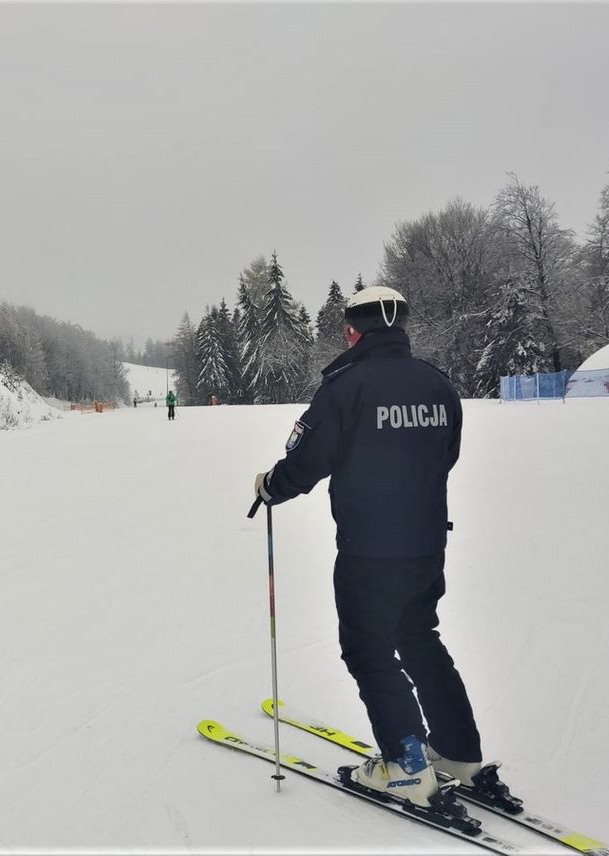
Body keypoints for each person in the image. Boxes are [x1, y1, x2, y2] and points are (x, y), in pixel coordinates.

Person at [252, 285, 482, 809]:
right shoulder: (437, 384)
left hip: (370, 548)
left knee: (368, 647)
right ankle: (459, 753)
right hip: (426, 544)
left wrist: (271, 486)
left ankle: (405, 765)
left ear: (353, 331)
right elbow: (446, 455)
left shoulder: (346, 386)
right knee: (419, 638)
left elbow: (308, 461)